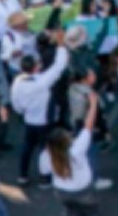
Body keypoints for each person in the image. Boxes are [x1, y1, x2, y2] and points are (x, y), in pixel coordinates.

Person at [10, 28, 70, 186]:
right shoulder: (42, 81)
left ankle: (22, 175)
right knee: (45, 150)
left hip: (29, 120)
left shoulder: (18, 82)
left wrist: (22, 112)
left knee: (27, 148)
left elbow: (16, 104)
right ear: (35, 68)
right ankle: (45, 178)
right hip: (44, 121)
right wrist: (61, 44)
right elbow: (59, 65)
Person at [39, 90, 101, 216]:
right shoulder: (76, 150)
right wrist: (93, 104)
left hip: (61, 191)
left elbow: (44, 172)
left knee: (71, 211)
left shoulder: (45, 156)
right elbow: (88, 125)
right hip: (82, 190)